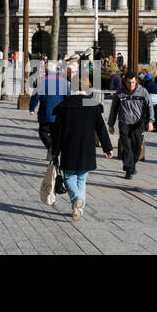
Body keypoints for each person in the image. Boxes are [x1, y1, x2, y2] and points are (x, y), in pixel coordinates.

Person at [50, 91, 114, 221]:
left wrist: (55, 152)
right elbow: (101, 128)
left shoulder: (65, 105)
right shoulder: (91, 104)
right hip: (87, 149)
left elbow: (58, 132)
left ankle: (76, 200)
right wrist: (107, 148)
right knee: (81, 180)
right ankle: (79, 209)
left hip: (69, 149)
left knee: (69, 178)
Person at [108, 73, 153, 179]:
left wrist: (150, 121)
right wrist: (111, 124)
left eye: (133, 82)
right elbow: (114, 109)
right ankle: (129, 169)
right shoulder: (120, 92)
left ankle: (132, 164)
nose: (131, 85)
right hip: (124, 122)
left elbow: (150, 107)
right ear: (125, 81)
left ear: (136, 81)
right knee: (127, 147)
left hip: (138, 123)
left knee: (137, 146)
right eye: (128, 82)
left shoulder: (143, 92)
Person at [29, 62, 69, 153]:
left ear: (46, 70)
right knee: (56, 133)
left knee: (43, 131)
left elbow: (36, 96)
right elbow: (67, 96)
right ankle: (53, 150)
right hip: (59, 113)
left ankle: (50, 147)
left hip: (45, 112)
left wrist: (32, 108)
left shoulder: (41, 80)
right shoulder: (63, 81)